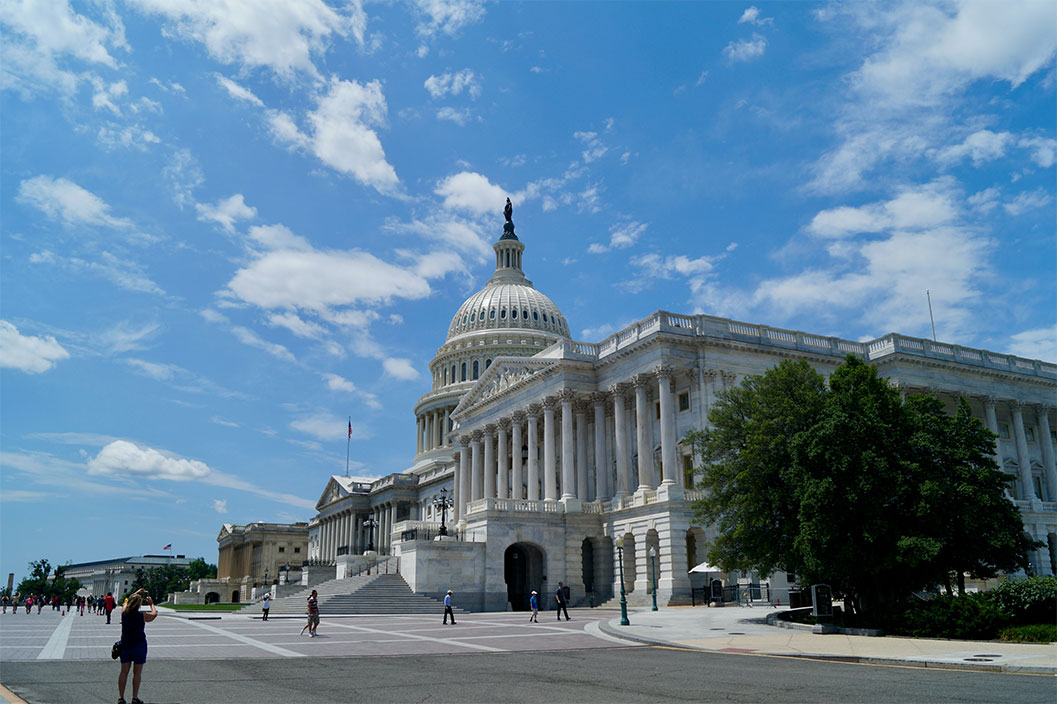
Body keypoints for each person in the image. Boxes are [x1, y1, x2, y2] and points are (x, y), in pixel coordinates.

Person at [117, 589, 157, 704]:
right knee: (137, 673)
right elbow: (154, 615)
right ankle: (135, 698)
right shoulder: (142, 615)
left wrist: (135, 593)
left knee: (123, 672)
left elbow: (126, 603)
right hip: (139, 645)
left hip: (125, 645)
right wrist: (151, 604)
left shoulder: (124, 614)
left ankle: (121, 697)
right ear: (139, 604)